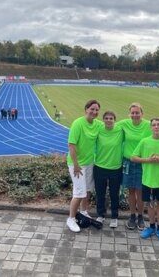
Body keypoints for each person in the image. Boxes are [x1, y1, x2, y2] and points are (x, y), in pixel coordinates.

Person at [66, 99, 103, 233]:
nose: (94, 112)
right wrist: (76, 165)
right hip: (77, 164)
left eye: (97, 110)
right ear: (86, 109)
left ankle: (84, 211)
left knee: (87, 190)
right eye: (92, 109)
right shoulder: (78, 123)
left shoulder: (98, 124)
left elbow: (112, 127)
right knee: (79, 192)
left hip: (89, 162)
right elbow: (71, 145)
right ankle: (71, 218)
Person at [118, 102, 151, 230]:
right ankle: (132, 216)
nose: (135, 115)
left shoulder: (148, 124)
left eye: (137, 112)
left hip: (142, 162)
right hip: (128, 162)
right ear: (129, 114)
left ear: (142, 113)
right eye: (132, 112)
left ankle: (141, 216)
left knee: (140, 191)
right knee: (131, 190)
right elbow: (108, 125)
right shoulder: (124, 123)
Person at [93, 111, 124, 228]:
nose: (109, 120)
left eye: (111, 118)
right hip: (100, 167)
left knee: (114, 194)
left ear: (115, 120)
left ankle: (114, 217)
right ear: (103, 120)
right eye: (106, 118)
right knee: (100, 194)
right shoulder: (99, 130)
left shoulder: (120, 130)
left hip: (115, 168)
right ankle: (100, 215)